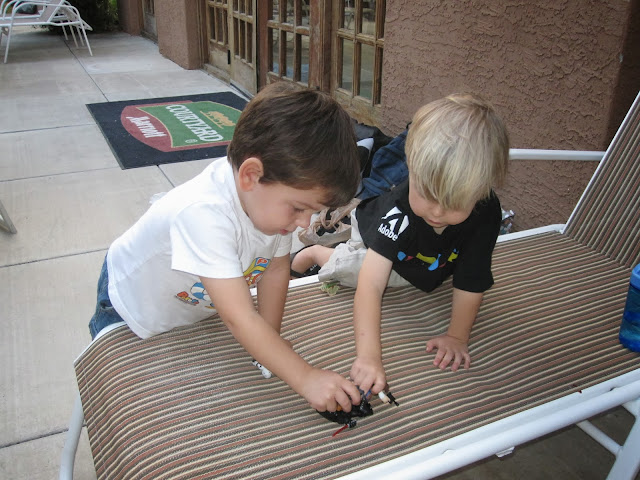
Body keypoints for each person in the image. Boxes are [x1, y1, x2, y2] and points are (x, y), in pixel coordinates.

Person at [88, 82, 363, 413]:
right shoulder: (204, 214)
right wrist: (305, 378)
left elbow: (275, 270)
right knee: (122, 396)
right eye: (299, 208)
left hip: (188, 305)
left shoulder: (270, 208)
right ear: (251, 176)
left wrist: (270, 339)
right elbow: (239, 316)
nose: (305, 223)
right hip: (131, 304)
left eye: (313, 212)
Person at [291, 93, 509, 394]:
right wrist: (369, 357)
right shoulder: (400, 209)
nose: (437, 212)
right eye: (426, 194)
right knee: (357, 270)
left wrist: (457, 336)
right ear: (411, 168)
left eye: (453, 204)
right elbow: (371, 285)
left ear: (481, 191)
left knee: (416, 276)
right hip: (375, 233)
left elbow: (472, 279)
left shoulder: (487, 211)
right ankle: (314, 253)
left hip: (422, 255)